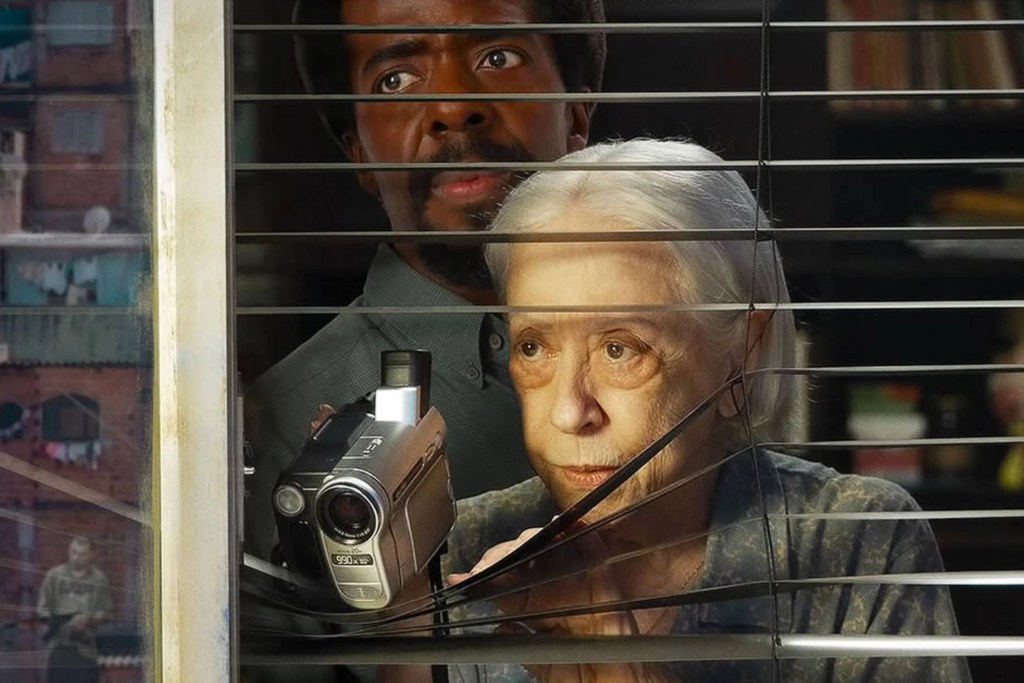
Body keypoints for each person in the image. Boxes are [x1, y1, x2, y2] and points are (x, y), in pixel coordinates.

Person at [440, 139, 971, 682]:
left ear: (743, 354)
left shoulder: (854, 542)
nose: (569, 413)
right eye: (534, 348)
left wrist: (619, 665)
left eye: (619, 349)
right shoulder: (459, 546)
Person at [245, 0, 607, 561]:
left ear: (576, 116)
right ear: (360, 154)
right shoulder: (280, 443)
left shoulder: (691, 358)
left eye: (498, 57)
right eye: (396, 79)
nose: (453, 106)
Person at [37, 536, 111, 683]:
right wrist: (58, 625)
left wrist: (89, 620)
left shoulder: (99, 579)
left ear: (91, 555)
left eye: (82, 554)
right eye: (73, 552)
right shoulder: (54, 576)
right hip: (58, 648)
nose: (76, 557)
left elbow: (104, 611)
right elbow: (42, 609)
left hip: (86, 650)